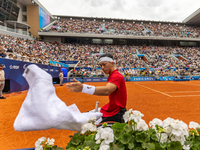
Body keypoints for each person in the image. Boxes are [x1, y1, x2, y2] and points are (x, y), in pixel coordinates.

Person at [66, 53, 127, 123]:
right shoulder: (113, 75)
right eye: (101, 65)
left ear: (112, 64)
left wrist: (83, 88)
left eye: (104, 64)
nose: (102, 68)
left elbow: (107, 90)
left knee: (86, 123)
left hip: (115, 112)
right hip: (112, 109)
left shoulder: (116, 76)